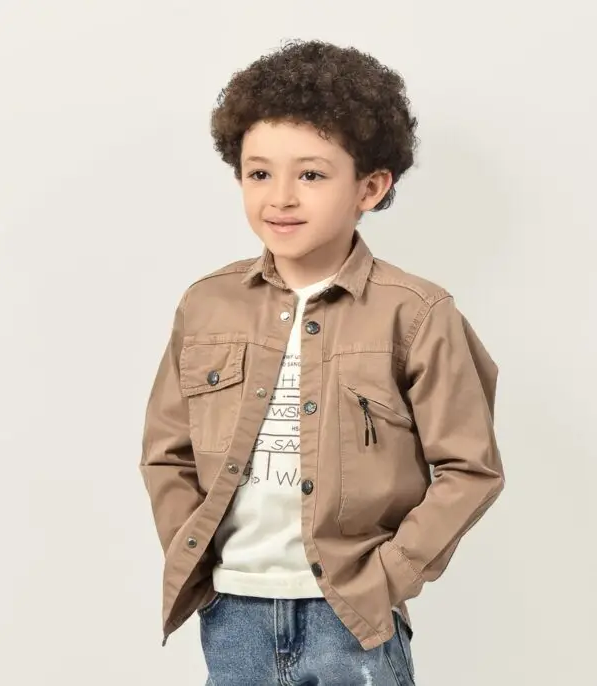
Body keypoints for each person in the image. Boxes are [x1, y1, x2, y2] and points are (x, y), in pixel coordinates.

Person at [139, 39, 505, 685]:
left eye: (310, 175)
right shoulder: (206, 305)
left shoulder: (417, 314)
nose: (280, 197)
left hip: (350, 617)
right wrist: (193, 552)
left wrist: (385, 577)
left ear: (370, 186)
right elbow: (167, 453)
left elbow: (469, 469)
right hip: (233, 612)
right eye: (259, 174)